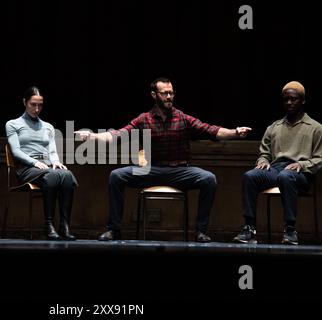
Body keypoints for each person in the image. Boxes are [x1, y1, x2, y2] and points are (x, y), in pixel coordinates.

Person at [76, 77, 251, 242]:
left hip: (180, 171)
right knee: (117, 175)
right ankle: (114, 229)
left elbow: (211, 130)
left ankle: (200, 231)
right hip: (151, 170)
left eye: (171, 93)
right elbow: (117, 135)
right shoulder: (144, 119)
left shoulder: (182, 117)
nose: (169, 96)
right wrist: (91, 136)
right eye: (164, 93)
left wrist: (235, 132)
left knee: (208, 179)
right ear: (154, 95)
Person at [234, 81, 322, 245]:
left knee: (286, 176)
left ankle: (290, 229)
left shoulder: (315, 128)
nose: (289, 102)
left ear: (302, 100)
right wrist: (263, 161)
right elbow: (264, 152)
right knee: (250, 176)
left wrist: (302, 165)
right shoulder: (274, 127)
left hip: (301, 174)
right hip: (276, 170)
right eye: (286, 99)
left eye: (293, 99)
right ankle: (249, 228)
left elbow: (320, 158)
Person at [6, 86, 78, 240]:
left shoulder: (48, 126)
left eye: (40, 105)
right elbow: (16, 151)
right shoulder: (13, 124)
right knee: (52, 176)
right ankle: (48, 224)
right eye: (33, 104)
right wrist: (34, 162)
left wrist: (56, 162)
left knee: (67, 175)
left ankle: (64, 226)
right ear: (24, 102)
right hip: (27, 169)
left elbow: (52, 150)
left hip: (47, 167)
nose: (37, 109)